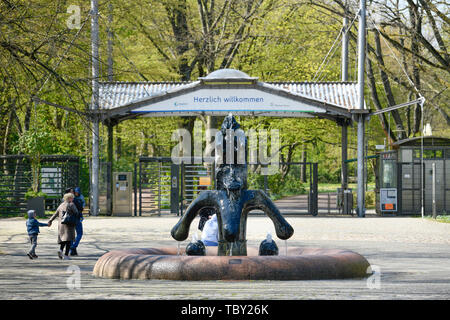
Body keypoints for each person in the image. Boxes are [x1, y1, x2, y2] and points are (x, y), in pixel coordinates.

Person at [48, 193, 78, 260]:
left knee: (63, 239)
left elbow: (55, 214)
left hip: (61, 224)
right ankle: (66, 255)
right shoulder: (71, 204)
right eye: (72, 198)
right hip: (69, 224)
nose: (73, 199)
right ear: (69, 198)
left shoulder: (61, 205)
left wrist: (50, 220)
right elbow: (76, 212)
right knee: (69, 240)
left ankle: (61, 250)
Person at [70, 187, 85, 256]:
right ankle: (73, 247)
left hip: (68, 220)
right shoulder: (75, 200)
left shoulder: (65, 200)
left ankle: (72, 250)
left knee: (71, 235)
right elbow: (81, 208)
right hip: (76, 219)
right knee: (79, 233)